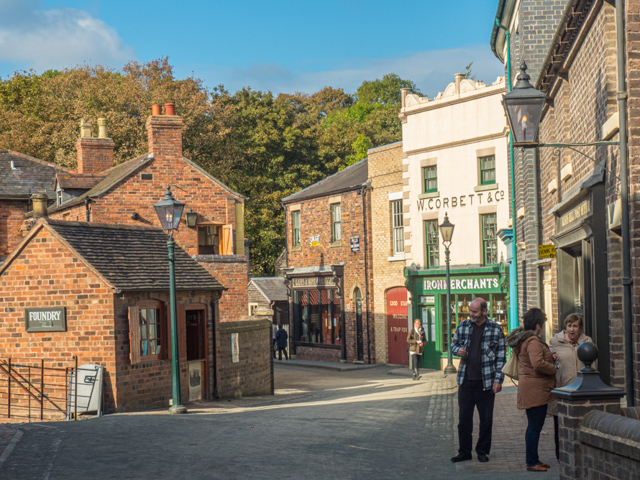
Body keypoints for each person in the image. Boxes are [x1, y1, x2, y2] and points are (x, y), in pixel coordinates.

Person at [450, 297, 506, 463]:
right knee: (464, 420)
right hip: (466, 380)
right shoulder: (463, 326)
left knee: (486, 420)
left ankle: (482, 451)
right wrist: (457, 350)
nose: (471, 314)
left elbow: (501, 358)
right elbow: (453, 345)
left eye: (474, 311)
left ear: (484, 311)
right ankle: (464, 451)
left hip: (486, 382)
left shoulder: (495, 330)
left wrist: (498, 380)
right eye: (470, 311)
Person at [506, 308, 556, 472]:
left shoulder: (526, 340)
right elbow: (538, 363)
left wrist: (550, 356)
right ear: (538, 325)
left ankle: (534, 459)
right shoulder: (533, 341)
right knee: (534, 426)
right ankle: (531, 462)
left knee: (534, 426)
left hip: (532, 388)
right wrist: (553, 368)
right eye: (542, 324)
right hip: (535, 389)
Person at [548, 313, 594, 460]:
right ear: (565, 326)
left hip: (581, 392)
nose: (572, 329)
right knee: (560, 426)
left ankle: (581, 456)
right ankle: (560, 457)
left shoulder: (587, 342)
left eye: (575, 326)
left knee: (581, 425)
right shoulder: (555, 341)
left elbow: (593, 367)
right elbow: (547, 363)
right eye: (569, 325)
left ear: (580, 328)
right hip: (562, 391)